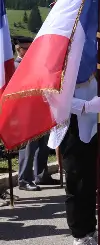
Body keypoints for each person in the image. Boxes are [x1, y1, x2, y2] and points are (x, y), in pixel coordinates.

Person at [50, 47, 100, 245]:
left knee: (93, 183)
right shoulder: (60, 49)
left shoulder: (92, 46)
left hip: (94, 125)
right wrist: (85, 106)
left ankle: (91, 236)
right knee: (78, 186)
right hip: (72, 126)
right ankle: (80, 242)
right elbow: (52, 94)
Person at [15, 36, 59, 191]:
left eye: (30, 48)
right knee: (28, 147)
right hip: (26, 112)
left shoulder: (36, 65)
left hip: (41, 109)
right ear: (18, 49)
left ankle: (41, 175)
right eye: (25, 49)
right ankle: (24, 179)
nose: (28, 51)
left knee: (43, 145)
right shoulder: (15, 66)